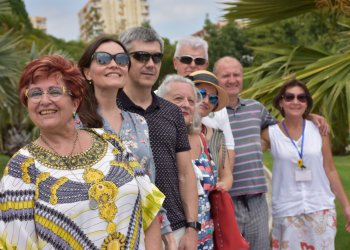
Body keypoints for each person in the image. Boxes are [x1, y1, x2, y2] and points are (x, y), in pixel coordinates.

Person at [0, 55, 164, 249]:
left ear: (75, 101)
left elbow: (150, 211)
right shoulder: (22, 169)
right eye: (35, 93)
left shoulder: (111, 143)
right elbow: (16, 244)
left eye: (54, 91)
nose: (44, 100)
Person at [211, 56, 330, 250]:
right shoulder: (209, 113)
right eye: (226, 75)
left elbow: (287, 128)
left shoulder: (256, 109)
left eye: (236, 74)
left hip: (257, 197)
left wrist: (309, 116)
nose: (232, 80)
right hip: (225, 197)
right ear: (216, 78)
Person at [76, 35, 169, 249]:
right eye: (102, 59)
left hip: (140, 234)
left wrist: (164, 231)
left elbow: (149, 186)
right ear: (87, 72)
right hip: (92, 233)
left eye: (121, 59)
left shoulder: (138, 122)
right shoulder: (73, 123)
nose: (113, 64)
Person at [118, 27, 198, 249]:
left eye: (156, 57)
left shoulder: (172, 111)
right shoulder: (108, 110)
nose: (150, 64)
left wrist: (192, 227)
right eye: (141, 56)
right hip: (126, 228)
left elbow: (185, 173)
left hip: (175, 225)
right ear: (124, 60)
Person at [261, 79, 350, 249]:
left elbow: (330, 169)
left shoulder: (319, 130)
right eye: (289, 97)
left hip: (320, 209)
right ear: (281, 101)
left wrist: (346, 206)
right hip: (287, 212)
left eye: (301, 98)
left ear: (307, 103)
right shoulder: (270, 133)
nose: (295, 101)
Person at [157, 72, 233, 249]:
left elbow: (226, 175)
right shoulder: (155, 138)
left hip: (205, 236)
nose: (187, 104)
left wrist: (221, 186)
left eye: (191, 100)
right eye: (179, 98)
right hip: (171, 236)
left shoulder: (206, 139)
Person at [173, 36, 235, 168]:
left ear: (206, 65)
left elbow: (228, 151)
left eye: (199, 61)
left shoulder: (217, 106)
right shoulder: (157, 97)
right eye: (186, 59)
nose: (193, 65)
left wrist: (222, 181)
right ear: (175, 63)